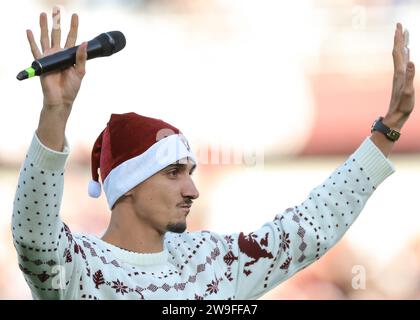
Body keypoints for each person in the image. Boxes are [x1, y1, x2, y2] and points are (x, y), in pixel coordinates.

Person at [12, 8, 415, 300]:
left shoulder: (211, 261)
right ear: (128, 185)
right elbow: (33, 236)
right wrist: (55, 113)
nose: (192, 189)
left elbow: (309, 227)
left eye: (190, 172)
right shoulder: (81, 267)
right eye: (173, 173)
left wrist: (387, 129)